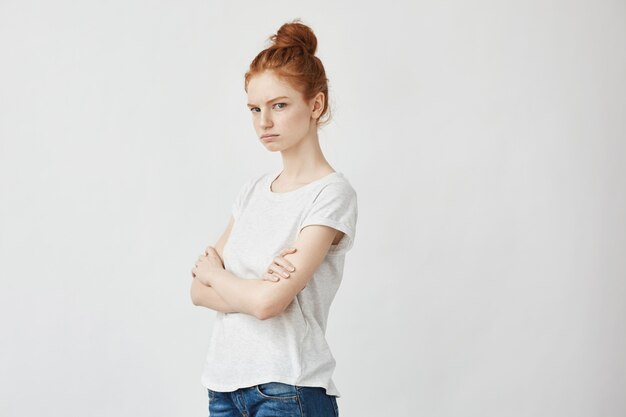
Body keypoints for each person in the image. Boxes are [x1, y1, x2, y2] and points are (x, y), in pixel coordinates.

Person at [190, 19, 358, 417]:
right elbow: (197, 291)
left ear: (315, 105)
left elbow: (270, 303)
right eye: (254, 109)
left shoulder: (330, 194)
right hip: (223, 386)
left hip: (288, 389)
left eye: (279, 105)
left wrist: (220, 276)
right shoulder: (252, 191)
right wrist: (244, 286)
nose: (264, 122)